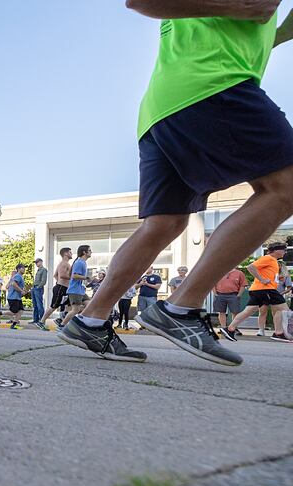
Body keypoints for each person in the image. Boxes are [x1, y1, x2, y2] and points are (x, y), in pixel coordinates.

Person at [58, 2, 293, 365]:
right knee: (286, 186)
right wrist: (242, 7)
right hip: (213, 85)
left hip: (163, 105)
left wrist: (274, 29)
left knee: (164, 223)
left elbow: (245, 27)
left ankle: (90, 319)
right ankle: (181, 308)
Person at [221, 243, 290, 342]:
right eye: (284, 250)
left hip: (259, 289)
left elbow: (265, 273)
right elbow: (250, 267)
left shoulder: (273, 261)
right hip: (265, 289)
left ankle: (229, 329)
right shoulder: (268, 258)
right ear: (276, 250)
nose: (285, 252)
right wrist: (262, 280)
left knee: (249, 311)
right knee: (284, 309)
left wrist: (276, 279)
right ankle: (279, 333)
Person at [36, 247, 72, 331]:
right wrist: (73, 277)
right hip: (61, 288)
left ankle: (60, 319)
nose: (71, 254)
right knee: (54, 306)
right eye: (70, 252)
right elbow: (62, 275)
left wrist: (61, 282)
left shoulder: (63, 263)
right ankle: (41, 322)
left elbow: (55, 275)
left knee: (69, 305)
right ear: (66, 253)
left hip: (64, 288)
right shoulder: (64, 264)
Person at [59, 246, 92, 328]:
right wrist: (87, 278)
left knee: (89, 306)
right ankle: (62, 325)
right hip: (75, 290)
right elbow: (74, 276)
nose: (91, 252)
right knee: (75, 310)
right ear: (84, 252)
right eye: (89, 250)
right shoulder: (79, 262)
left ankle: (76, 320)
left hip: (81, 290)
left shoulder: (83, 262)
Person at [7, 263, 27, 330]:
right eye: (23, 268)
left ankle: (14, 325)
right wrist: (21, 291)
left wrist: (24, 291)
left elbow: (18, 286)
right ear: (18, 269)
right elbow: (14, 284)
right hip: (13, 297)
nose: (24, 269)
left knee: (21, 310)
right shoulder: (18, 276)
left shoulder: (20, 276)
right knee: (13, 312)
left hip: (17, 297)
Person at [31, 258, 47, 324]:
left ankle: (42, 320)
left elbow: (44, 281)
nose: (36, 263)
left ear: (41, 262)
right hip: (34, 288)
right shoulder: (38, 270)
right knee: (35, 305)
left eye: (37, 262)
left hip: (38, 289)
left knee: (39, 305)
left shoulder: (44, 270)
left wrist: (38, 287)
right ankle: (35, 320)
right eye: (36, 262)